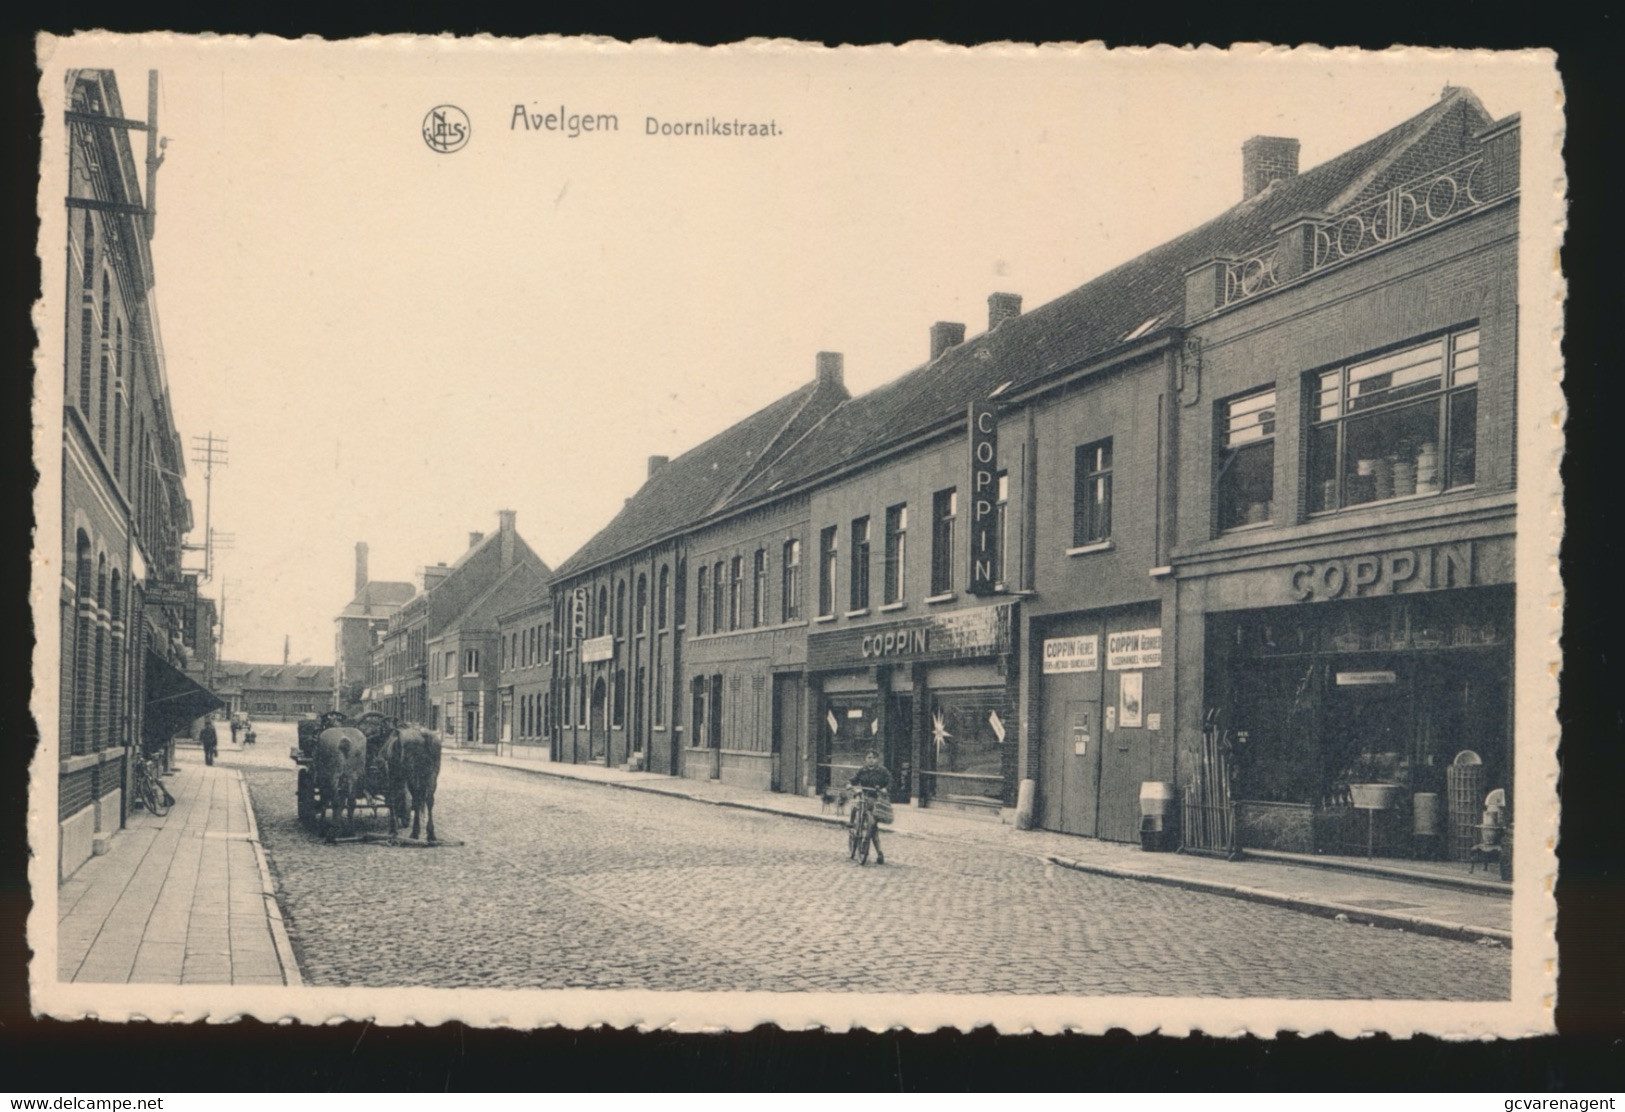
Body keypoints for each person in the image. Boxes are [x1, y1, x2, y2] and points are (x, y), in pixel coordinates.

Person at [847, 749, 891, 865]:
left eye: (873, 758)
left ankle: (878, 852)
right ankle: (853, 824)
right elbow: (853, 780)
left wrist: (885, 789)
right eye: (869, 758)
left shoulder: (882, 771)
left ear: (877, 760)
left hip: (877, 801)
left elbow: (890, 782)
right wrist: (849, 784)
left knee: (873, 826)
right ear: (866, 760)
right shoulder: (862, 770)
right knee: (857, 807)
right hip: (864, 797)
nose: (871, 760)